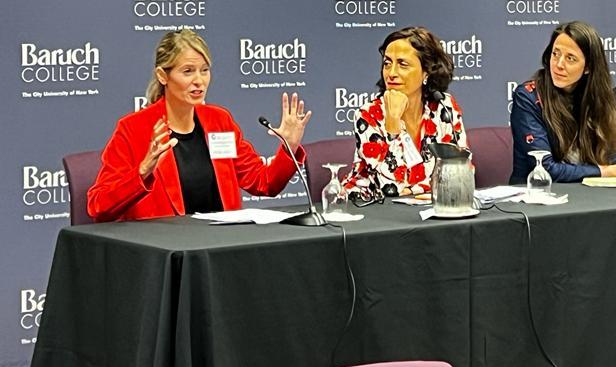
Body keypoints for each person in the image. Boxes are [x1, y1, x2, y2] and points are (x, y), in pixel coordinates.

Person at [87, 28, 311, 222]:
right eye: (188, 71)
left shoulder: (219, 121)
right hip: (168, 254)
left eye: (204, 70)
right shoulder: (134, 128)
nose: (199, 81)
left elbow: (264, 183)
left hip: (220, 249)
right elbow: (98, 206)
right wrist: (143, 171)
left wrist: (288, 148)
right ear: (162, 76)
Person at [510, 20, 616, 183]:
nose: (559, 64)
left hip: (584, 196)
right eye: (556, 53)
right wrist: (608, 171)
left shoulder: (595, 98)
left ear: (588, 67)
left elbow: (603, 159)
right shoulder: (528, 97)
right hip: (535, 195)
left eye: (570, 58)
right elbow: (545, 168)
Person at [343, 26, 467, 199]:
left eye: (402, 64)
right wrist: (393, 121)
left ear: (426, 72)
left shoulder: (443, 107)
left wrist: (418, 190)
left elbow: (460, 172)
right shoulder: (369, 115)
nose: (391, 73)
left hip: (429, 209)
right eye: (387, 63)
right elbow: (391, 188)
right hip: (373, 213)